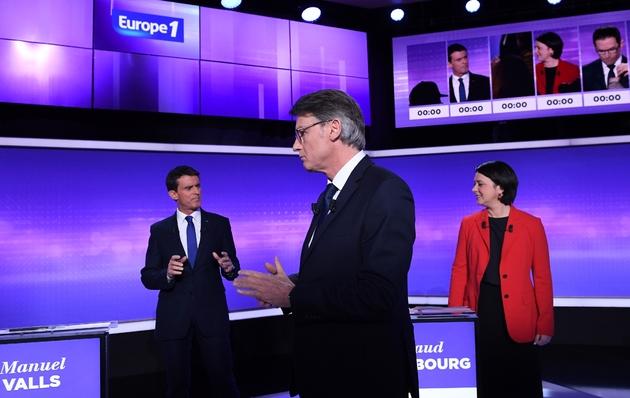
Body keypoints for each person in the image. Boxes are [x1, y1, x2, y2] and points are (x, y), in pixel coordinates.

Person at [233, 89, 419, 398]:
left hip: (363, 377)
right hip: (325, 372)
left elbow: (379, 295)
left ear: (333, 129)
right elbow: (339, 274)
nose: (295, 146)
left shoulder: (386, 190)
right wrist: (289, 284)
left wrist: (295, 295)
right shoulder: (330, 194)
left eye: (301, 133)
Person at [448, 161, 554, 398]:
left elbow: (543, 276)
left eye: (480, 184)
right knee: (487, 377)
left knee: (521, 380)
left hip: (521, 313)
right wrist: (454, 316)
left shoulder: (531, 225)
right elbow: (460, 271)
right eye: (475, 183)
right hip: (482, 308)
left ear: (500, 189)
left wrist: (545, 323)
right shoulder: (469, 223)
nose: (474, 188)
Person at [141, 165, 241, 398]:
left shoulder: (219, 224)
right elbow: (147, 275)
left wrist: (229, 268)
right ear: (173, 194)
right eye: (189, 188)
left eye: (198, 186)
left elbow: (232, 264)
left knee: (225, 382)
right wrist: (166, 273)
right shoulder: (160, 230)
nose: (196, 192)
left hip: (212, 315)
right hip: (174, 317)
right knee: (177, 387)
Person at [582, 26, 629, 91]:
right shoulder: (585, 72)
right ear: (594, 47)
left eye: (611, 49)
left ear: (620, 45)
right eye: (601, 51)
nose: (607, 56)